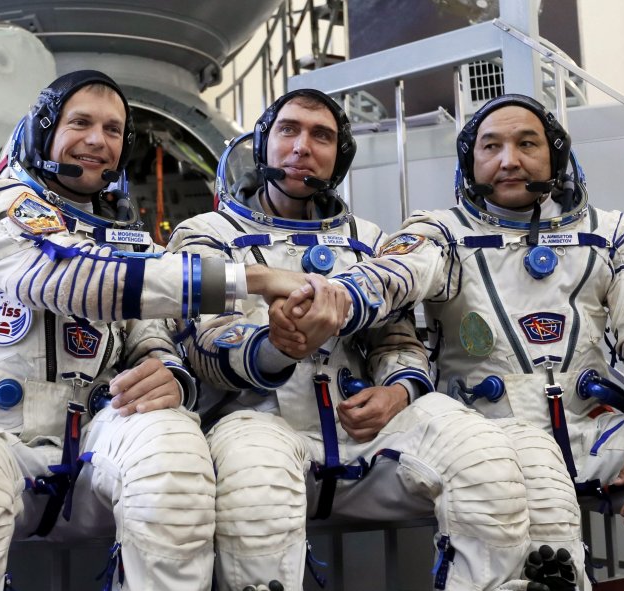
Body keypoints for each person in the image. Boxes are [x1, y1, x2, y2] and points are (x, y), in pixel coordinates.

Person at [277, 93, 624, 591]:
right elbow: (392, 275)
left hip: (594, 433)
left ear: (556, 156)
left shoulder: (613, 234)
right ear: (470, 160)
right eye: (491, 147)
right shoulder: (439, 233)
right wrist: (338, 297)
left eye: (527, 144)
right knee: (548, 552)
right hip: (494, 440)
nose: (509, 160)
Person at [0, 70, 302, 591]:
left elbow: (150, 332)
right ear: (42, 131)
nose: (98, 141)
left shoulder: (129, 240)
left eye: (114, 129)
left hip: (95, 435)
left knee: (174, 457)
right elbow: (67, 276)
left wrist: (166, 370)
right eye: (80, 123)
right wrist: (250, 279)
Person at [167, 88, 568, 591]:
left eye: (322, 136)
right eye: (288, 131)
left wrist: (399, 391)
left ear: (340, 156)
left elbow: (398, 340)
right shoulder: (205, 234)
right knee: (257, 489)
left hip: (364, 433)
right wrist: (275, 345)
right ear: (264, 144)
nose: (301, 147)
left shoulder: (369, 238)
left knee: (481, 452)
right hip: (260, 425)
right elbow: (202, 346)